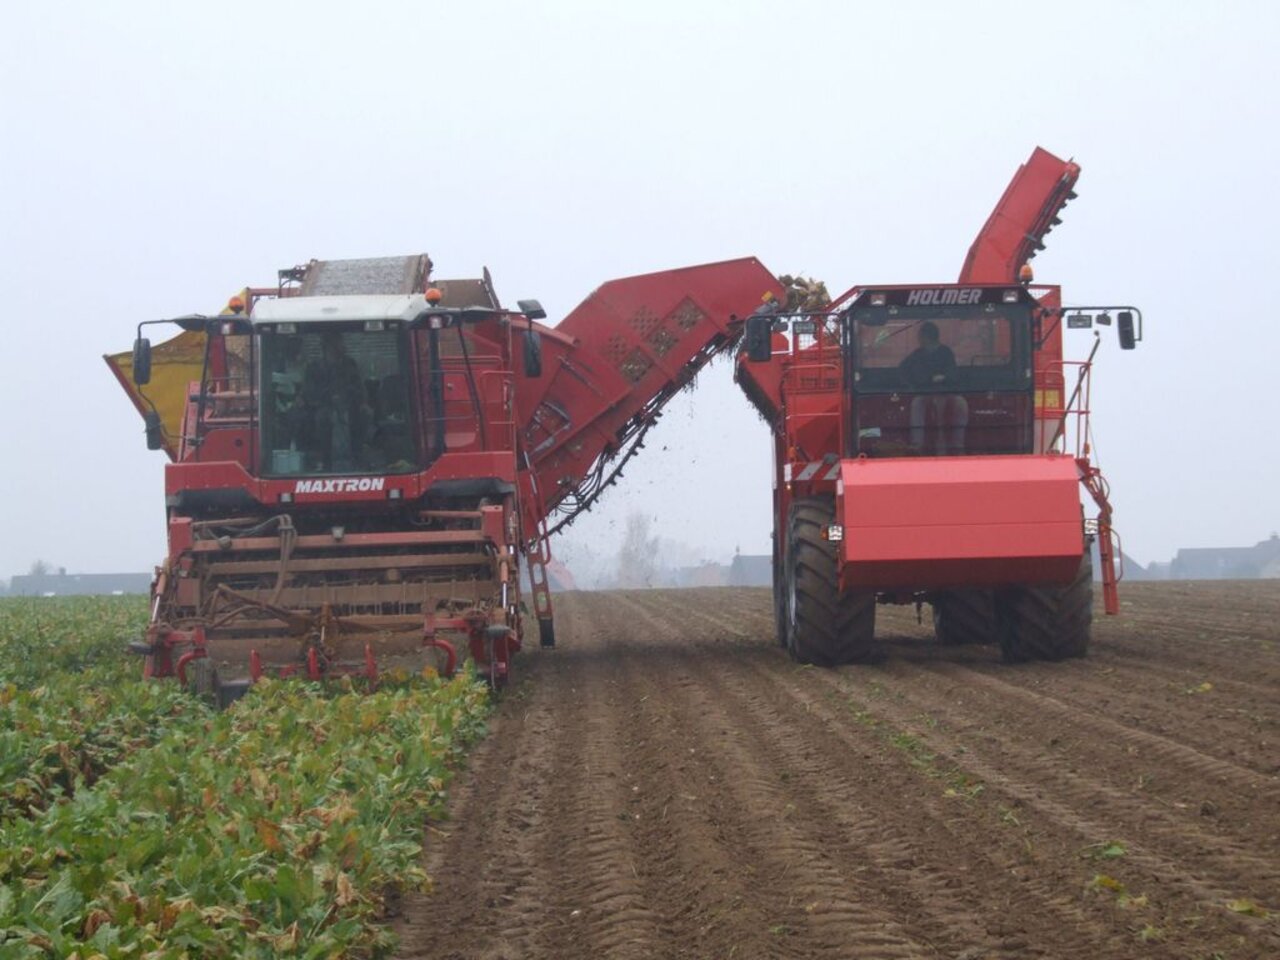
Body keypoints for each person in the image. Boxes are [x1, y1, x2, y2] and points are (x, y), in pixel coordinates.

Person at [300, 331, 368, 471]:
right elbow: (309, 393)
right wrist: (328, 399)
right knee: (321, 419)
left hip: (350, 407)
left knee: (364, 417)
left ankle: (359, 459)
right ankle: (323, 461)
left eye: (341, 342)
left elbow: (359, 389)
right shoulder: (314, 368)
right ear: (327, 346)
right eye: (338, 342)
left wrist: (357, 402)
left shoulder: (350, 365)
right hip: (322, 408)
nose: (342, 345)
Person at [899, 321, 969, 454]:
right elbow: (904, 370)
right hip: (924, 392)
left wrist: (944, 378)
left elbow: (953, 373)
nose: (919, 338)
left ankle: (958, 444)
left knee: (961, 403)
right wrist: (921, 382)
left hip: (946, 392)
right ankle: (917, 444)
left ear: (927, 336)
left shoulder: (946, 352)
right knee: (916, 404)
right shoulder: (917, 354)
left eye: (921, 336)